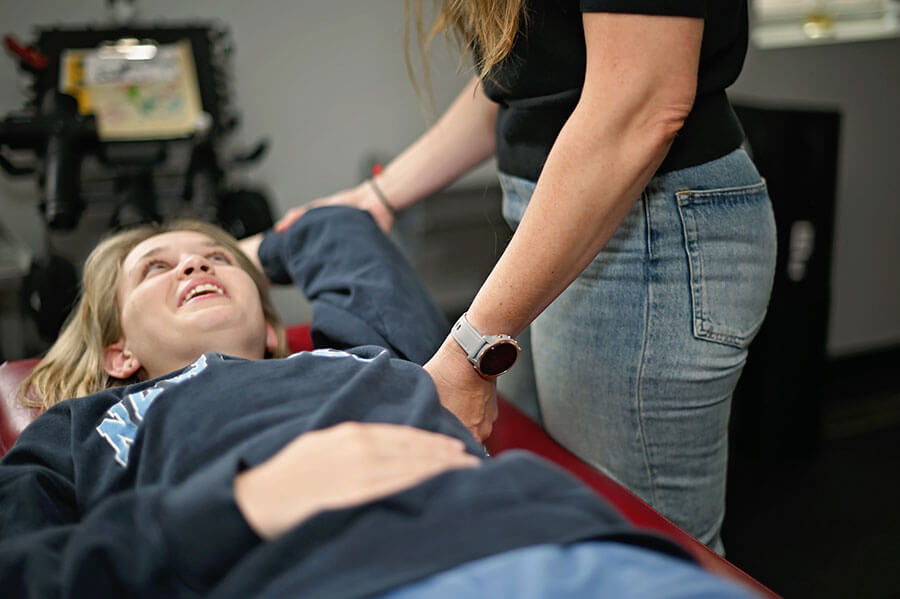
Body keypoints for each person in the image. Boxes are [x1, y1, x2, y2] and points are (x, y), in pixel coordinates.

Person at [0, 206, 756, 597]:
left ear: (270, 327)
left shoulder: (361, 352)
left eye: (211, 258)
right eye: (153, 269)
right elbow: (24, 571)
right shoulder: (88, 429)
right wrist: (243, 504)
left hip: (555, 544)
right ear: (119, 353)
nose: (194, 260)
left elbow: (337, 231)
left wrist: (240, 249)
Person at [275, 1, 777, 552]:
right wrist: (378, 197)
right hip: (561, 227)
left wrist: (472, 350)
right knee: (554, 512)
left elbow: (643, 103)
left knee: (644, 556)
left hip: (646, 228)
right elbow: (523, 93)